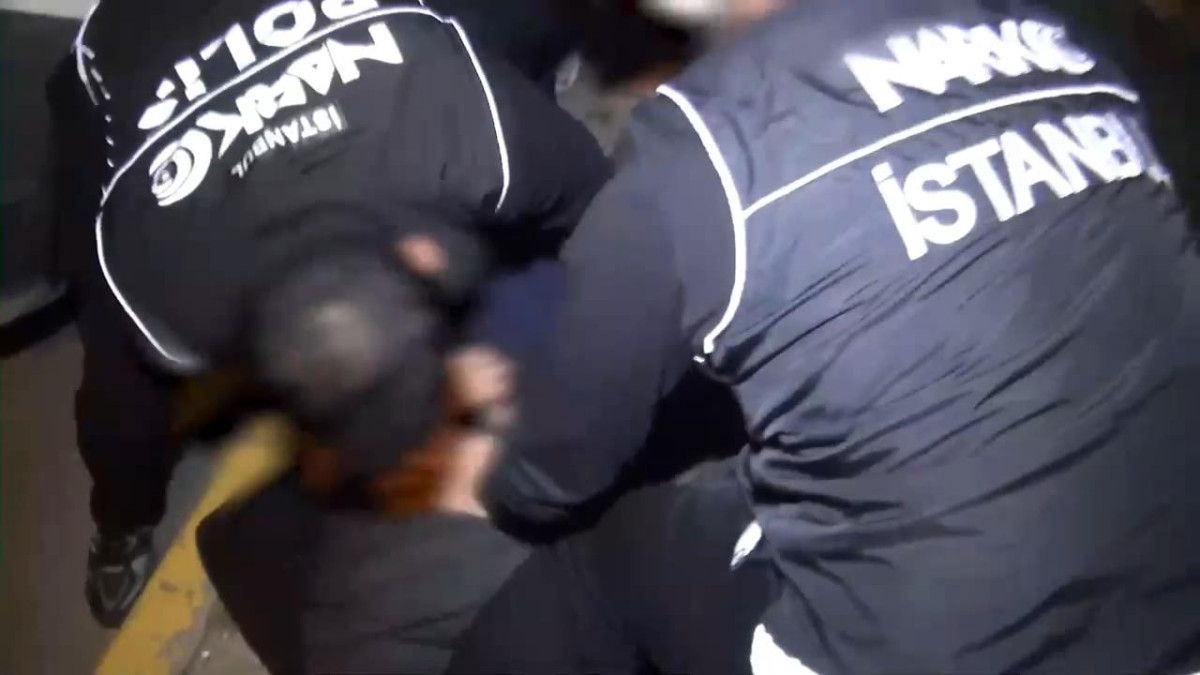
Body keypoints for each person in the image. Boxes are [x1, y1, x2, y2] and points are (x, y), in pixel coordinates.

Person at [450, 1, 1200, 674]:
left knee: (603, 555)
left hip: (937, 649)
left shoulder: (707, 143)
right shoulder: (1063, 37)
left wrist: (493, 480)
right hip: (1172, 586)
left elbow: (554, 467)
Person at [51, 0, 609, 627]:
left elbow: (598, 201)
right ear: (423, 258)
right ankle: (121, 530)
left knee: (525, 48)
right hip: (126, 29)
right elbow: (120, 417)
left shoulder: (466, 119)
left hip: (401, 97)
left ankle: (548, 62)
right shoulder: (155, 287)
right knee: (121, 403)